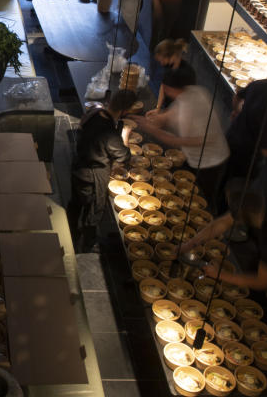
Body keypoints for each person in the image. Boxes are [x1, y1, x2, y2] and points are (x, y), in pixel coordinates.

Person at [179, 179, 267, 325]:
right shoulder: (261, 206)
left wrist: (220, 274)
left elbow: (262, 281)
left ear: (242, 218)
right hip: (266, 263)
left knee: (259, 316)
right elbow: (222, 223)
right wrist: (189, 244)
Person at [133, 69, 229, 199]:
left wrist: (151, 129)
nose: (164, 90)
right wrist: (162, 116)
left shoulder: (189, 108)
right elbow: (175, 111)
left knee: (199, 195)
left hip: (209, 161)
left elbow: (179, 141)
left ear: (170, 88)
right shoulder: (193, 91)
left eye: (165, 87)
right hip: (202, 154)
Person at [69, 89, 140, 253]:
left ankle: (71, 231)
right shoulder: (109, 133)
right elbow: (124, 156)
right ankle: (87, 243)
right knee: (94, 210)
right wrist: (126, 135)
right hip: (92, 176)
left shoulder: (95, 112)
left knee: (75, 203)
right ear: (124, 111)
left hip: (78, 164)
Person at [150, 38, 196, 110]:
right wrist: (158, 108)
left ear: (171, 56)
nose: (161, 63)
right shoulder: (169, 64)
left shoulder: (186, 73)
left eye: (162, 60)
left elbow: (186, 98)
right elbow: (163, 86)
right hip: (170, 107)